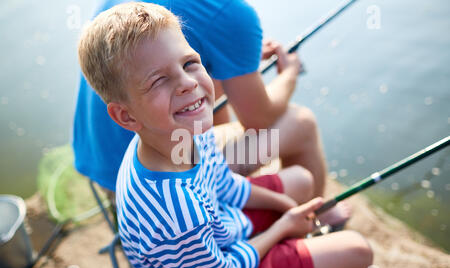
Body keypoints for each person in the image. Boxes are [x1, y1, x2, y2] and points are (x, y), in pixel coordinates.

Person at [77, 2, 373, 268]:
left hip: (221, 227)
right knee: (357, 251)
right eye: (159, 80)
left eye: (190, 63)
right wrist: (283, 228)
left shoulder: (187, 133)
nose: (188, 84)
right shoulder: (178, 213)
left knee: (302, 182)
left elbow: (223, 183)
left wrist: (284, 205)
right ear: (126, 117)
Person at [72, 0, 351, 228]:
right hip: (167, 177)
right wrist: (289, 73)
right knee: (301, 123)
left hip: (101, 166)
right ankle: (317, 216)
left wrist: (235, 58)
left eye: (190, 61)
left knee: (197, 88)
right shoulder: (230, 13)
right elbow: (259, 119)